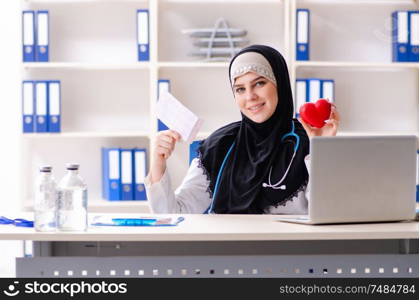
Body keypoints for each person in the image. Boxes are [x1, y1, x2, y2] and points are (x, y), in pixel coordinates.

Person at [145, 45, 340, 214]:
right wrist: (158, 163)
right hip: (228, 252)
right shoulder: (221, 144)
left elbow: (328, 214)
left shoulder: (306, 139)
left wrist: (322, 149)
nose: (250, 97)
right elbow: (175, 213)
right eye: (240, 89)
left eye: (259, 83)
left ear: (279, 84)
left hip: (291, 254)